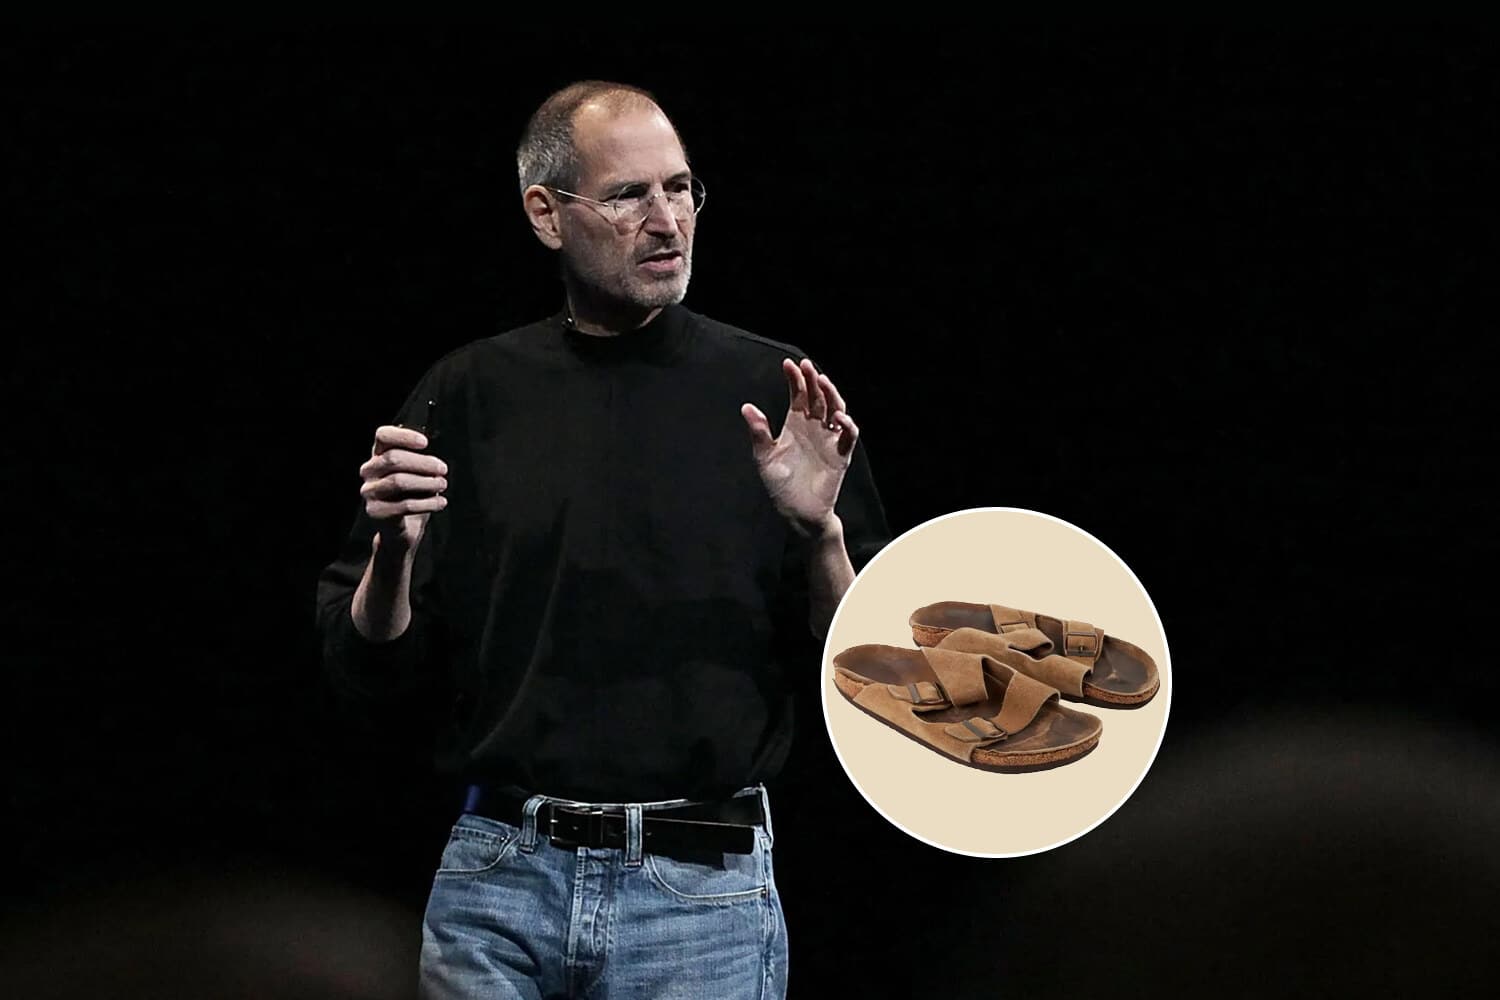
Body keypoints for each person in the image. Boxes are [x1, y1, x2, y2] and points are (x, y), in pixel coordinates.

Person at [316, 80, 888, 999]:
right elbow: (369, 670)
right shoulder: (468, 394)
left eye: (681, 188)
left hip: (700, 894)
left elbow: (868, 673)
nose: (667, 222)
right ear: (546, 214)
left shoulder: (776, 394)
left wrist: (820, 533)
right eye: (628, 196)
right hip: (499, 880)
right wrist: (393, 555)